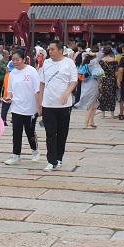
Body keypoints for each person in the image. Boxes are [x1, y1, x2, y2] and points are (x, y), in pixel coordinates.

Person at [39, 40, 78, 171]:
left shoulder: (69, 63)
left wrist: (67, 93)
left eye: (53, 49)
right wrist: (40, 103)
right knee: (50, 133)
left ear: (60, 50)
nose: (50, 52)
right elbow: (42, 82)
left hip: (64, 105)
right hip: (48, 104)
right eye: (49, 49)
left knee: (62, 133)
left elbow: (74, 81)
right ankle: (51, 160)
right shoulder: (46, 63)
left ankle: (59, 157)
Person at [2, 47, 41, 165]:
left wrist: (39, 107)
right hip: (16, 107)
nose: (15, 62)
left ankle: (35, 151)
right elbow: (10, 90)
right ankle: (16, 155)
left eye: (17, 59)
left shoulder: (32, 71)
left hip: (30, 108)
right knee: (16, 132)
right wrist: (8, 98)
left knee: (30, 132)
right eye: (13, 60)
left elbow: (37, 91)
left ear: (24, 59)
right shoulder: (12, 73)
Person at [97, 46, 119, 119]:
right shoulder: (114, 61)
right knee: (112, 96)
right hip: (112, 79)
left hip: (104, 79)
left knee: (103, 96)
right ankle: (112, 114)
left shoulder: (101, 61)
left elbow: (99, 71)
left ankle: (103, 113)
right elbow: (116, 70)